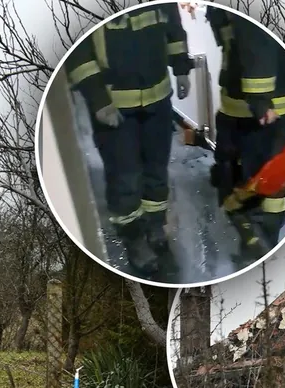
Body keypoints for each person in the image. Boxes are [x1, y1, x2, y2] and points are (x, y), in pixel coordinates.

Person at [65, 3, 193, 274]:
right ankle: (134, 239)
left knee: (156, 171)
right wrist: (98, 98)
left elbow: (173, 28)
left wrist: (181, 67)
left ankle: (155, 227)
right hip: (114, 107)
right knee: (125, 177)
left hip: (158, 103)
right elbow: (77, 51)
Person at [205, 5, 285, 261]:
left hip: (255, 108)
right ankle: (260, 243)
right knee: (271, 181)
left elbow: (256, 36)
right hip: (274, 103)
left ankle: (256, 245)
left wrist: (259, 100)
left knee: (256, 179)